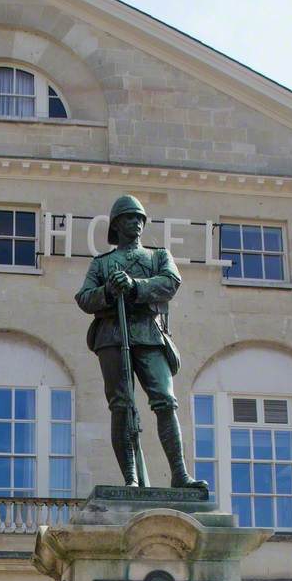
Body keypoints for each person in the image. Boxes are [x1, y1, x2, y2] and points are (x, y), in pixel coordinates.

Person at [75, 194, 205, 490]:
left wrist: (135, 287)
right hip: (111, 335)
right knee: (122, 406)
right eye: (130, 218)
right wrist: (108, 290)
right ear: (117, 225)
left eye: (139, 218)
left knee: (165, 401)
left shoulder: (158, 257)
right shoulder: (103, 263)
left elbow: (170, 283)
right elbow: (84, 298)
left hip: (149, 334)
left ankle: (179, 474)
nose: (136, 222)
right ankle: (131, 478)